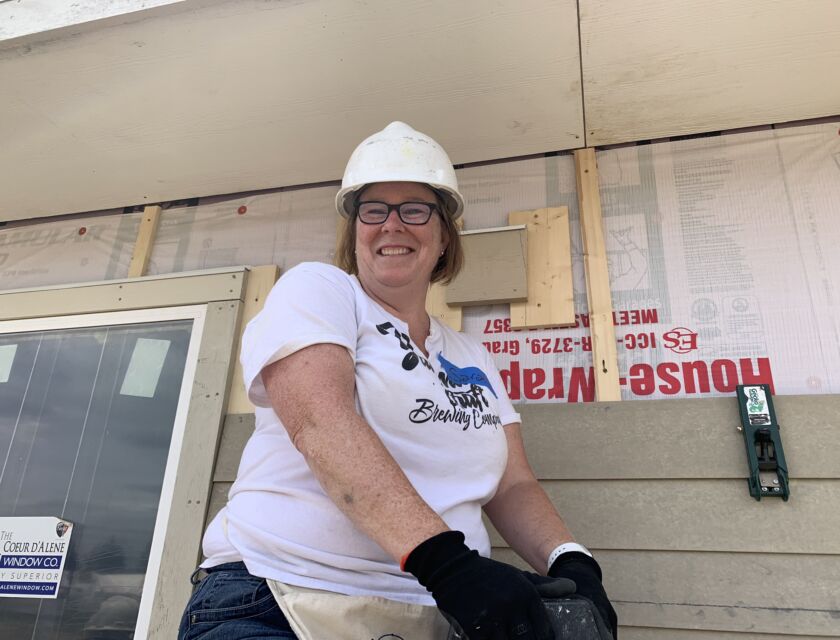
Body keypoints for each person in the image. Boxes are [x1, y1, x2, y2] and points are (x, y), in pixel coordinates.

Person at [178, 121, 618, 640]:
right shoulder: (320, 291)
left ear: (442, 236)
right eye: (374, 211)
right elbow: (321, 424)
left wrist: (571, 561)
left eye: (414, 210)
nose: (392, 225)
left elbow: (512, 482)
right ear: (355, 230)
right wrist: (449, 566)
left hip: (435, 614)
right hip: (280, 597)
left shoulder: (470, 354)